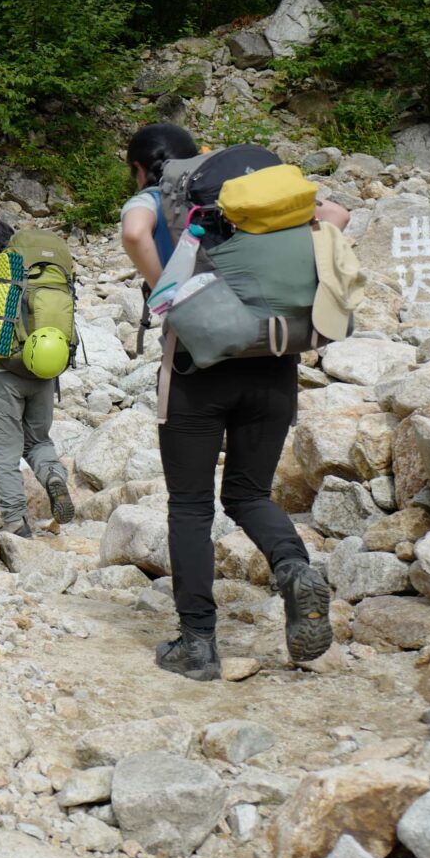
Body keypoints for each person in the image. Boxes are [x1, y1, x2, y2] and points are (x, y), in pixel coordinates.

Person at [120, 122, 333, 680]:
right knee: (248, 493)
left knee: (190, 507)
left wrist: (169, 297)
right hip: (275, 361)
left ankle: (198, 645)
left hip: (197, 367)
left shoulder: (155, 195)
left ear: (144, 168)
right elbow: (335, 217)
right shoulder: (256, 191)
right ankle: (292, 568)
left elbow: (138, 233)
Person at [0, 221, 76, 538]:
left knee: (5, 452)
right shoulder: (41, 277)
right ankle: (54, 478)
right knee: (38, 441)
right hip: (43, 369)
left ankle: (15, 521)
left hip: (4, 373)